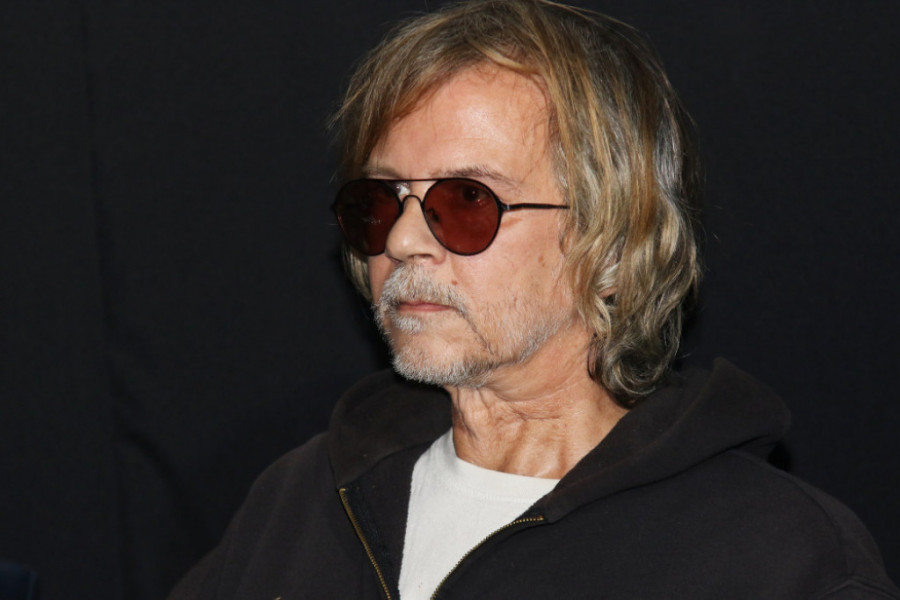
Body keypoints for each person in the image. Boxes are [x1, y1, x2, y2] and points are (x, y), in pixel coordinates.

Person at [168, 1, 898, 598]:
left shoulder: (779, 560)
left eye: (467, 199)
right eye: (382, 199)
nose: (403, 241)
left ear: (614, 248)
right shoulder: (304, 497)